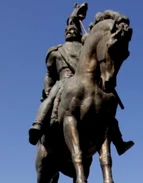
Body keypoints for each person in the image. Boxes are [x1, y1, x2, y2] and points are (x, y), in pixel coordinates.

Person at [27, 3, 134, 156]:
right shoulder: (57, 51)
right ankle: (38, 125)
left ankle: (119, 142)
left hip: (86, 80)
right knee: (51, 97)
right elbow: (50, 74)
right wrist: (47, 88)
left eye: (73, 30)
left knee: (108, 106)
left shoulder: (85, 47)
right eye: (68, 30)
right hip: (64, 80)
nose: (71, 31)